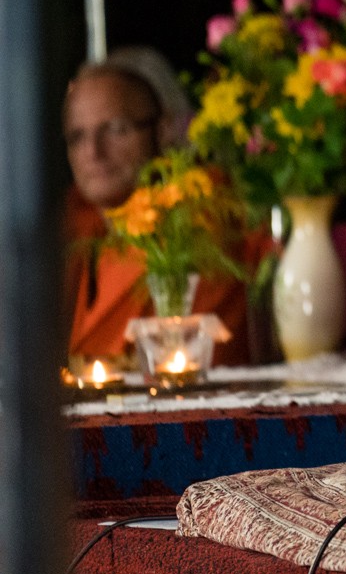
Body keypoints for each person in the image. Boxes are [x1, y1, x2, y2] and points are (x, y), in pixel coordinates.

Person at [64, 48, 249, 363]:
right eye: (77, 136)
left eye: (116, 129)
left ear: (163, 130)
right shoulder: (62, 227)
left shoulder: (203, 216)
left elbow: (198, 359)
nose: (93, 152)